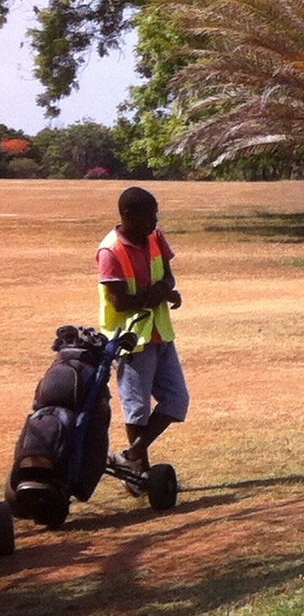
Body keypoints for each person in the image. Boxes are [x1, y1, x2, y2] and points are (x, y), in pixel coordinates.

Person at [98, 185, 188, 475]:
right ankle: (139, 474)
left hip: (160, 333)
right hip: (131, 340)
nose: (155, 222)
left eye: (156, 215)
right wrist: (159, 294)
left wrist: (164, 289)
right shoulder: (110, 250)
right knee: (137, 408)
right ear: (127, 215)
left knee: (176, 400)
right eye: (149, 216)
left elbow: (169, 277)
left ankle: (131, 455)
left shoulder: (155, 238)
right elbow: (120, 302)